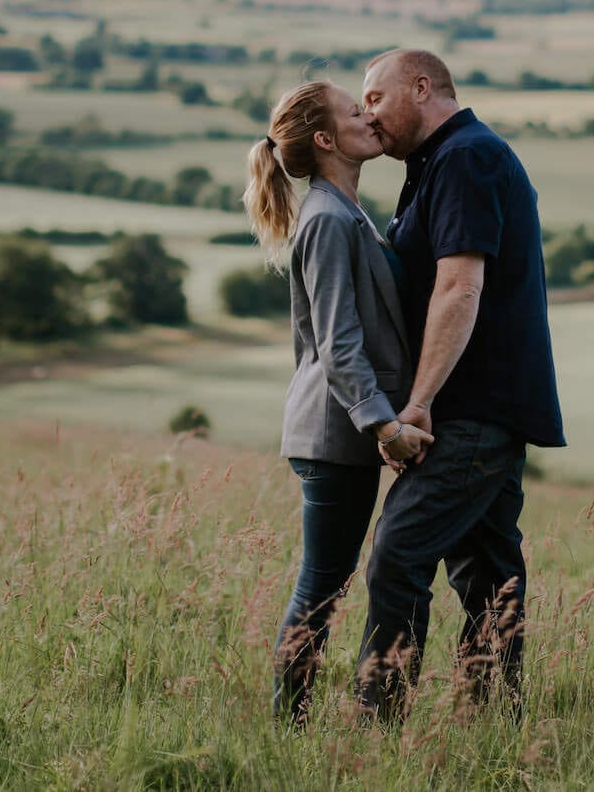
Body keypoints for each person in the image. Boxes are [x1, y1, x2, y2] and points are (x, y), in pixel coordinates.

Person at [354, 48, 565, 720]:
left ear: (422, 87)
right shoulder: (439, 161)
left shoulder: (466, 157)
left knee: (397, 554)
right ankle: (497, 719)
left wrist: (418, 403)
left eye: (375, 98)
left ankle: (379, 718)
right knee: (489, 576)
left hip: (474, 407)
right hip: (487, 404)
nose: (367, 114)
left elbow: (460, 284)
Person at [243, 79, 433, 724]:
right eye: (357, 112)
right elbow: (336, 340)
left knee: (328, 584)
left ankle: (297, 722)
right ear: (326, 140)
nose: (371, 118)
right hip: (336, 433)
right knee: (321, 588)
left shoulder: (345, 210)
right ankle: (287, 729)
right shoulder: (326, 219)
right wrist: (382, 425)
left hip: (348, 430)